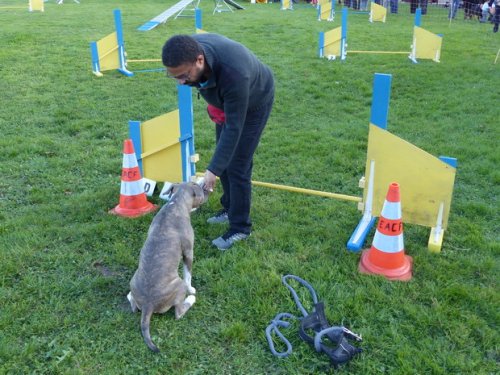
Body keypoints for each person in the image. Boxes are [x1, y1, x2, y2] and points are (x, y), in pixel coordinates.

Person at [162, 34, 275, 251]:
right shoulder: (187, 49)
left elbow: (234, 128)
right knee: (224, 157)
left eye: (183, 75)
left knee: (238, 165)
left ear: (199, 60)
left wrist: (212, 170)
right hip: (228, 102)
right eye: (173, 76)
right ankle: (229, 207)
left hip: (254, 102)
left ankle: (240, 227)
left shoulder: (235, 74)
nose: (180, 82)